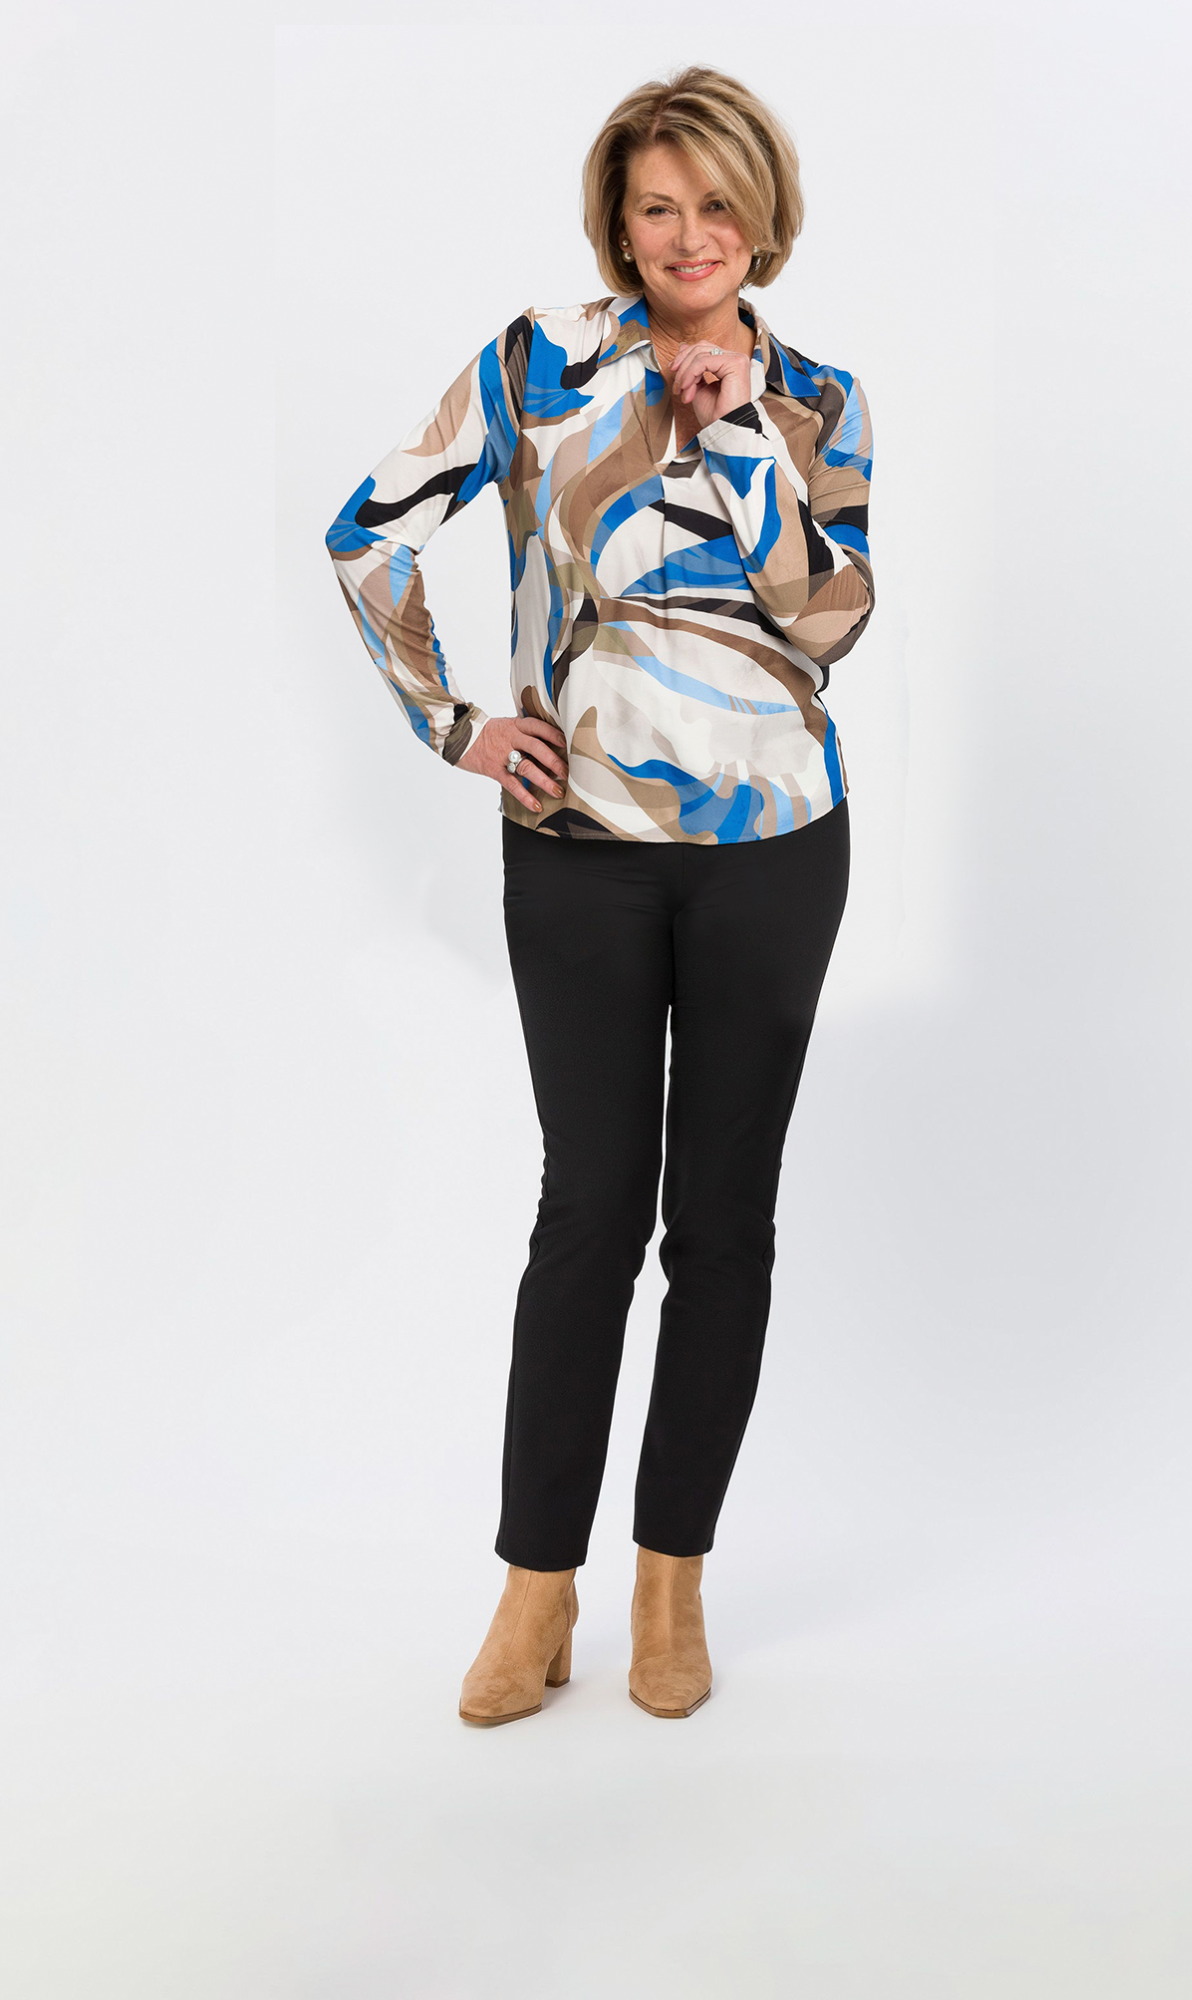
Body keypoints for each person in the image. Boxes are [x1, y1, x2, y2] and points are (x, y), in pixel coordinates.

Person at [325, 65, 874, 1725]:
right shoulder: (537, 367)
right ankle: (533, 1587)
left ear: (762, 218)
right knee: (589, 1216)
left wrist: (738, 432)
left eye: (717, 205)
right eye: (656, 208)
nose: (689, 236)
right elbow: (367, 533)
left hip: (775, 848)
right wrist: (458, 725)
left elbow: (831, 623)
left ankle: (669, 1580)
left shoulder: (820, 398)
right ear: (618, 227)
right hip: (577, 850)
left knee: (722, 1226)